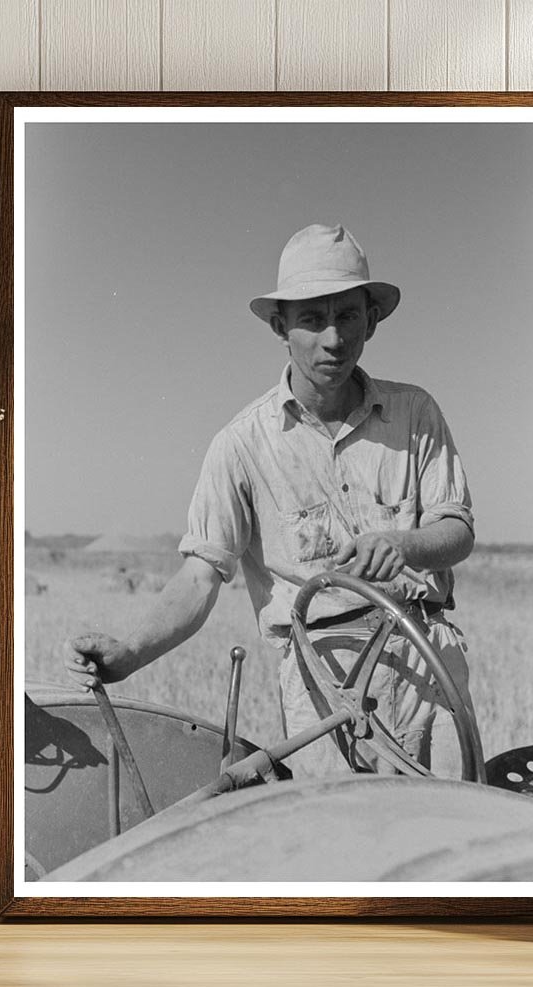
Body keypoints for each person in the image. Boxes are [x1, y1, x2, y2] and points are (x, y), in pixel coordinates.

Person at [65, 223, 476, 778]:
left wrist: (404, 545)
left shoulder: (416, 414)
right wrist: (129, 654)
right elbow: (198, 578)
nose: (333, 338)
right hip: (323, 684)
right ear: (281, 326)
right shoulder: (241, 446)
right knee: (337, 854)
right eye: (311, 319)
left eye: (348, 315)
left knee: (459, 846)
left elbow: (457, 529)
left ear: (371, 321)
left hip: (429, 664)